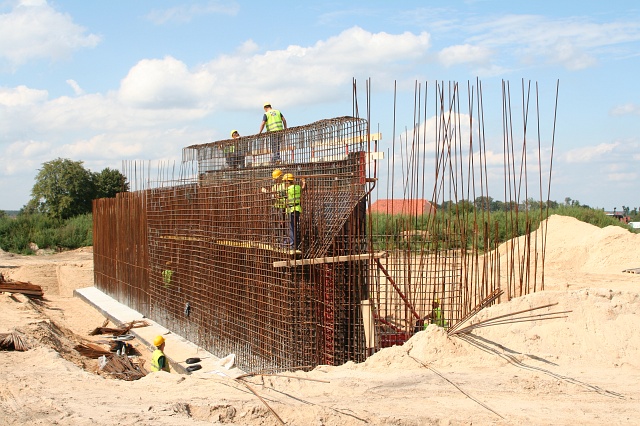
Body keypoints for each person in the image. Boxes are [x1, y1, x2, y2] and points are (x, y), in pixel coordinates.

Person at [261, 169, 287, 245]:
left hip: (282, 206)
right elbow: (273, 196)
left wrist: (270, 193)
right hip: (275, 206)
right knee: (275, 222)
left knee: (282, 223)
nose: (275, 180)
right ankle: (277, 238)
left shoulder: (283, 185)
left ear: (279, 177)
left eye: (276, 178)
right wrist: (269, 194)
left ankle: (283, 239)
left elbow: (281, 196)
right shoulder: (274, 186)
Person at [282, 173, 306, 252]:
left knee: (291, 228)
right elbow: (303, 188)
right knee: (295, 227)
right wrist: (304, 182)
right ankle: (292, 243)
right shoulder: (298, 187)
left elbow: (282, 195)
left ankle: (292, 245)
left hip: (291, 210)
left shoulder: (288, 189)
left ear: (287, 181)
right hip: (297, 209)